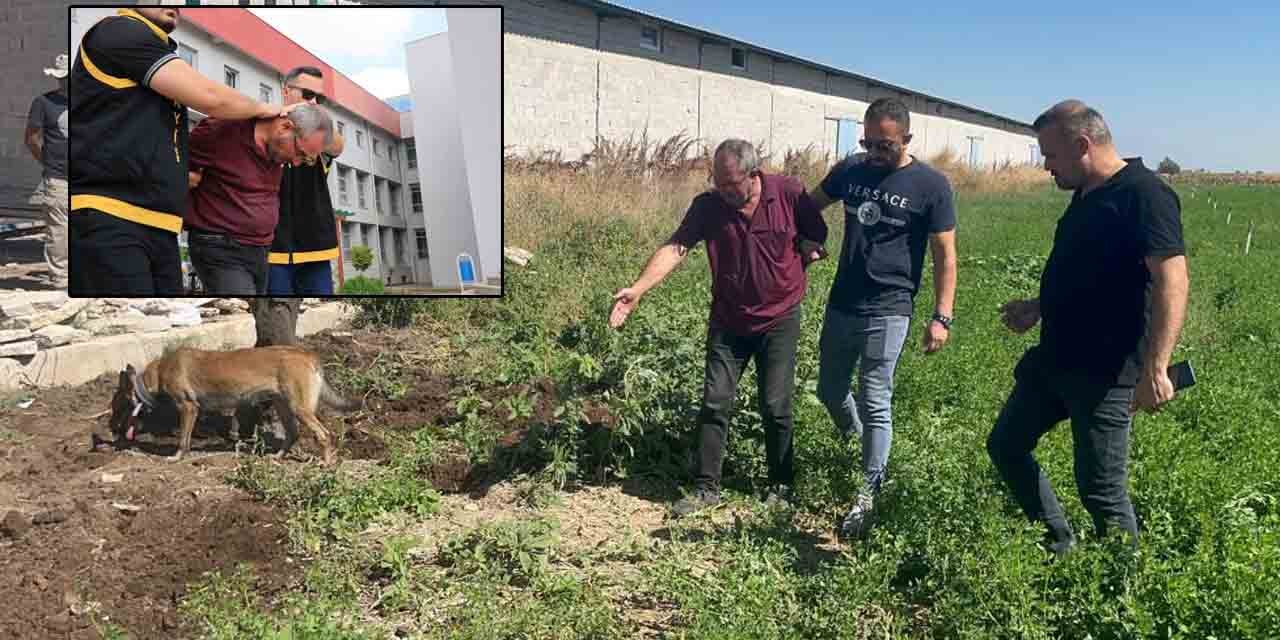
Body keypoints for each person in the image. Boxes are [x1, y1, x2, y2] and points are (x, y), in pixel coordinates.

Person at [987, 99, 1189, 556]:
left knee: (1101, 492)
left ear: (1082, 145)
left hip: (1105, 373)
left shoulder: (1145, 194)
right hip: (1055, 359)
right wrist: (1038, 306)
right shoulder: (1086, 194)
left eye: (1050, 155)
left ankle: (1120, 599)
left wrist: (1155, 368)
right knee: (1006, 446)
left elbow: (1171, 282)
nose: (1046, 167)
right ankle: (1060, 545)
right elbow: (1090, 272)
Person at [609, 139, 828, 517]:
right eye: (718, 183)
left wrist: (810, 247)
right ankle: (705, 488)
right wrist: (639, 289)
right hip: (729, 320)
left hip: (779, 319)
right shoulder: (708, 207)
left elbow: (816, 232)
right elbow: (677, 247)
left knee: (776, 405)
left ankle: (781, 486)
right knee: (714, 401)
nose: (725, 192)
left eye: (732, 184)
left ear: (754, 174)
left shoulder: (788, 192)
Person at [807, 97, 958, 538]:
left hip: (890, 307)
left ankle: (867, 493)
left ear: (907, 139)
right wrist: (805, 239)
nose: (875, 153)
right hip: (842, 302)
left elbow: (945, 254)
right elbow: (806, 208)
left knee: (876, 398)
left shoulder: (931, 184)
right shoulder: (850, 170)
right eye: (868, 143)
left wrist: (941, 316)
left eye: (885, 145)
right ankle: (855, 440)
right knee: (830, 390)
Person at [68, 7, 281, 296]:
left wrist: (181, 175)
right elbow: (211, 98)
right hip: (112, 216)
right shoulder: (118, 31)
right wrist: (266, 108)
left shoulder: (153, 51)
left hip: (159, 223)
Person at [185, 103, 332, 295]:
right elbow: (174, 164)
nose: (296, 162)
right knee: (240, 313)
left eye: (306, 159)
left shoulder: (277, 151)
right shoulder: (220, 131)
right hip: (220, 247)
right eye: (300, 153)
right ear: (285, 127)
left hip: (261, 251)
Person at [267, 66, 346, 296]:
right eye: (307, 94)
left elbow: (338, 146)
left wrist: (313, 121)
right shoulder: (268, 129)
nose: (313, 101)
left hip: (316, 251)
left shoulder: (322, 136)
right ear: (286, 92)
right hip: (273, 250)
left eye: (318, 98)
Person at [24, 53, 70, 289]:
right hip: (58, 177)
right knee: (59, 230)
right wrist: (48, 162)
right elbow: (31, 138)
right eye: (63, 78)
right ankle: (61, 279)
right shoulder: (44, 102)